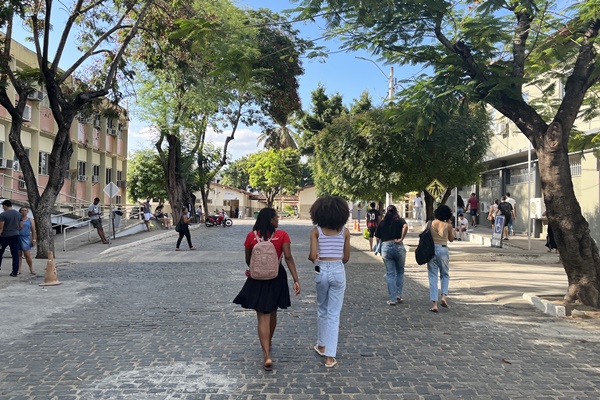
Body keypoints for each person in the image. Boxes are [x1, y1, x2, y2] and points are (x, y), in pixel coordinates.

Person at [233, 208, 300, 371]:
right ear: (270, 220)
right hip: (277, 276)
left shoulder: (251, 236)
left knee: (263, 316)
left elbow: (248, 259)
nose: (278, 219)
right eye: (276, 217)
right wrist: (296, 279)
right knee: (273, 312)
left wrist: (257, 269)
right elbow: (288, 257)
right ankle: (268, 342)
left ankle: (266, 355)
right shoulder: (282, 235)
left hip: (257, 279)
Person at [308, 196, 350, 368]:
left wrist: (315, 258)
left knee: (322, 309)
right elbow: (346, 258)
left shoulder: (316, 231)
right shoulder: (345, 232)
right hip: (338, 269)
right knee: (334, 313)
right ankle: (330, 357)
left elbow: (312, 255)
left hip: (321, 269)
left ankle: (321, 344)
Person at [374, 205, 408, 306]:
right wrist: (401, 238)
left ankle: (392, 299)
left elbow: (377, 237)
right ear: (396, 212)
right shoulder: (399, 220)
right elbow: (406, 226)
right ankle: (399, 294)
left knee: (390, 273)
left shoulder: (382, 223)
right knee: (400, 271)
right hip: (398, 246)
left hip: (386, 247)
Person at [427, 204, 455, 313]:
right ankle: (443, 296)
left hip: (432, 250)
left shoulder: (430, 223)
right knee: (444, 274)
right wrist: (450, 226)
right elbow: (451, 239)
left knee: (432, 276)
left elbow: (424, 234)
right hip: (443, 249)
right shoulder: (448, 225)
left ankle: (434, 304)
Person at [0, 200, 23, 277]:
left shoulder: (3, 215)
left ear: (5, 206)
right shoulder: (19, 214)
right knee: (15, 254)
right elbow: (21, 226)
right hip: (15, 235)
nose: (3, 208)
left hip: (4, 236)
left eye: (3, 206)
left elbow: (1, 228)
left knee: (0, 252)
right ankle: (14, 272)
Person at [18, 207, 36, 275]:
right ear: (20, 211)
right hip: (18, 237)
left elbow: (33, 231)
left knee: (27, 255)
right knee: (18, 255)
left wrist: (34, 239)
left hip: (26, 238)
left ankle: (31, 268)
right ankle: (18, 269)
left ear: (27, 212)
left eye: (25, 210)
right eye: (22, 210)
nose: (24, 212)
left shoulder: (30, 220)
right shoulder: (17, 219)